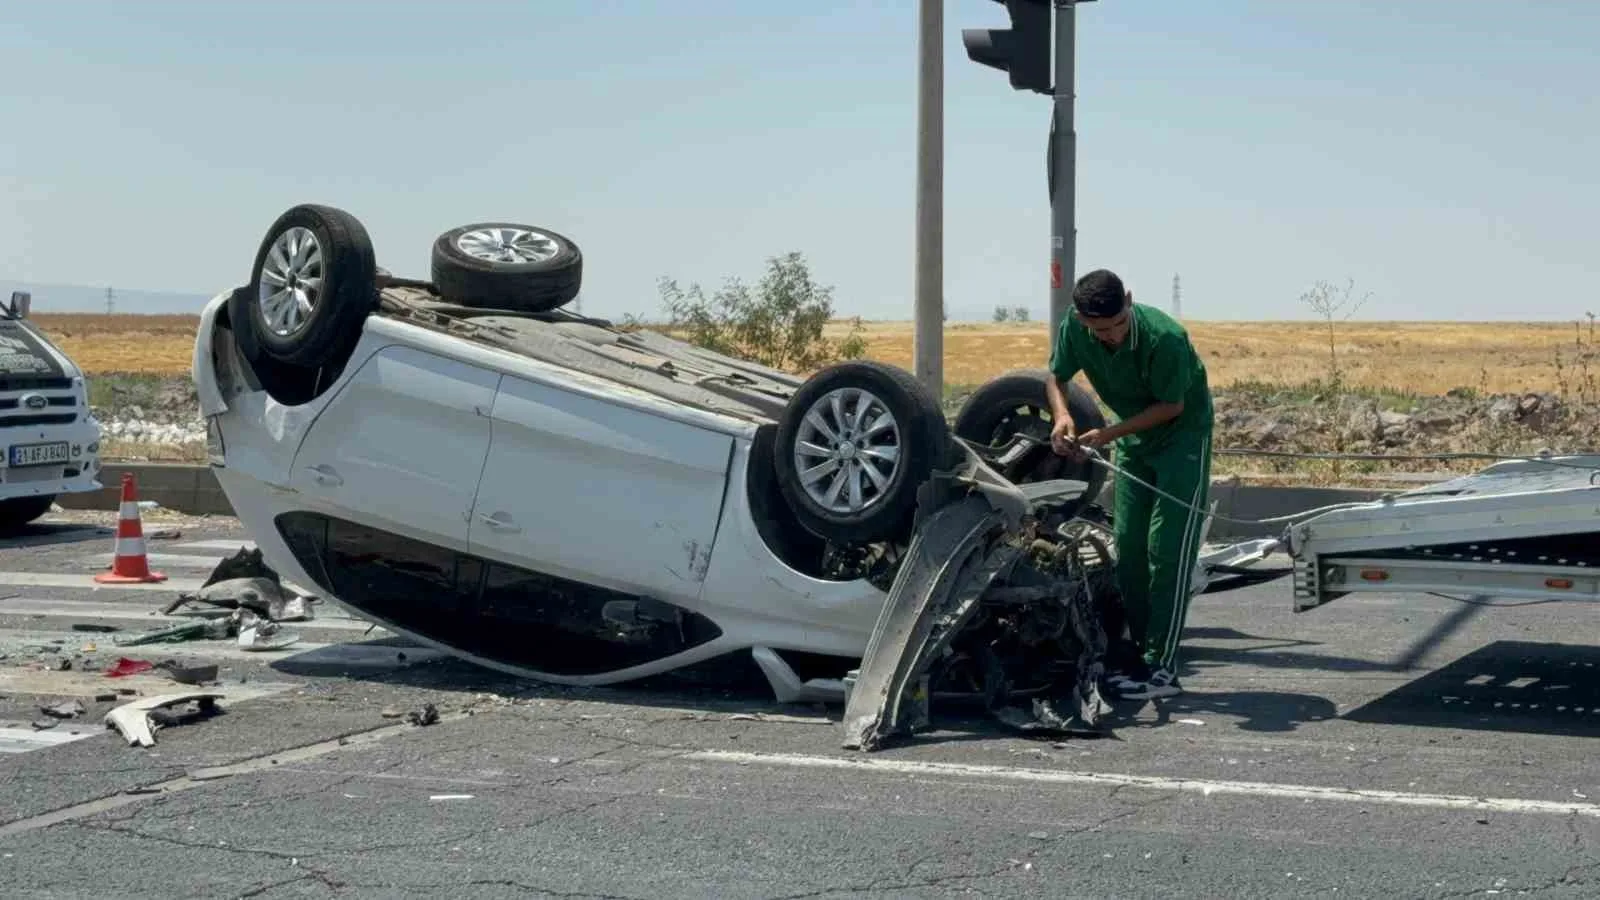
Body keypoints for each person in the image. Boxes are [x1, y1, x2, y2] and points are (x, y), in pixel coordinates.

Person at [1045, 269, 1214, 700]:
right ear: (1081, 321)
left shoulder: (1165, 338)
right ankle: (1139, 654)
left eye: (1117, 325)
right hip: (1135, 439)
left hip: (1182, 439)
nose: (1111, 337)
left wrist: (1107, 435)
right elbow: (1056, 376)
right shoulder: (1076, 328)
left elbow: (1172, 406)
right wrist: (1062, 415)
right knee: (1128, 547)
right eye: (1098, 330)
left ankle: (1161, 669)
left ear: (1130, 302)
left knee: (1166, 548)